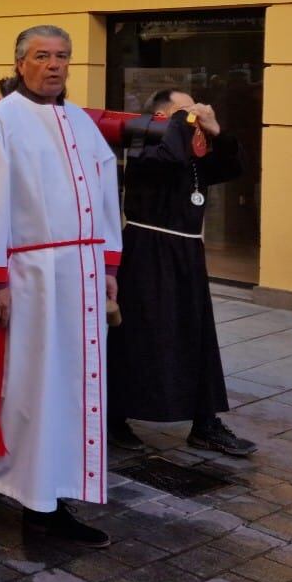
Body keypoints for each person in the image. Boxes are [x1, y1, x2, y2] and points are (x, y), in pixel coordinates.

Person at [0, 25, 121, 547]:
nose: (54, 65)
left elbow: (106, 194)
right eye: (43, 56)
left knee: (67, 392)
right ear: (21, 64)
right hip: (26, 280)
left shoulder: (83, 123)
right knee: (14, 389)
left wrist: (107, 268)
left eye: (62, 56)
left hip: (80, 280)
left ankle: (47, 506)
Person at [108, 90, 254, 455]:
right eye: (183, 111)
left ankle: (204, 422)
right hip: (147, 252)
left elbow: (234, 166)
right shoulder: (143, 144)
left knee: (197, 335)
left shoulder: (191, 154)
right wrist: (178, 120)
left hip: (188, 252)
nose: (192, 118)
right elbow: (168, 157)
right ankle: (115, 417)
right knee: (141, 336)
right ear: (161, 115)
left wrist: (216, 131)